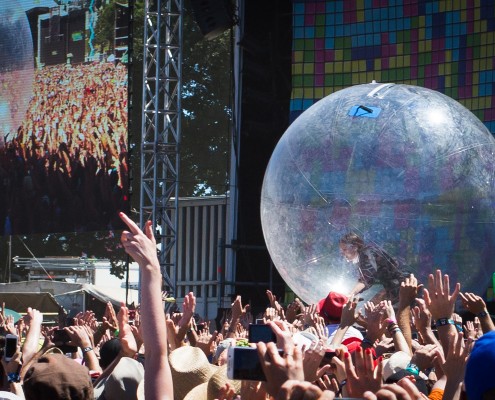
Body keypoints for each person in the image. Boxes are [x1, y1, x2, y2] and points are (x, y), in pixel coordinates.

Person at [339, 232, 407, 304]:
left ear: (355, 247)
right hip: (395, 284)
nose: (342, 253)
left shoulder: (366, 255)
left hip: (401, 284)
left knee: (375, 309)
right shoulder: (364, 255)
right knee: (374, 306)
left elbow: (366, 279)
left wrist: (350, 294)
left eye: (345, 249)